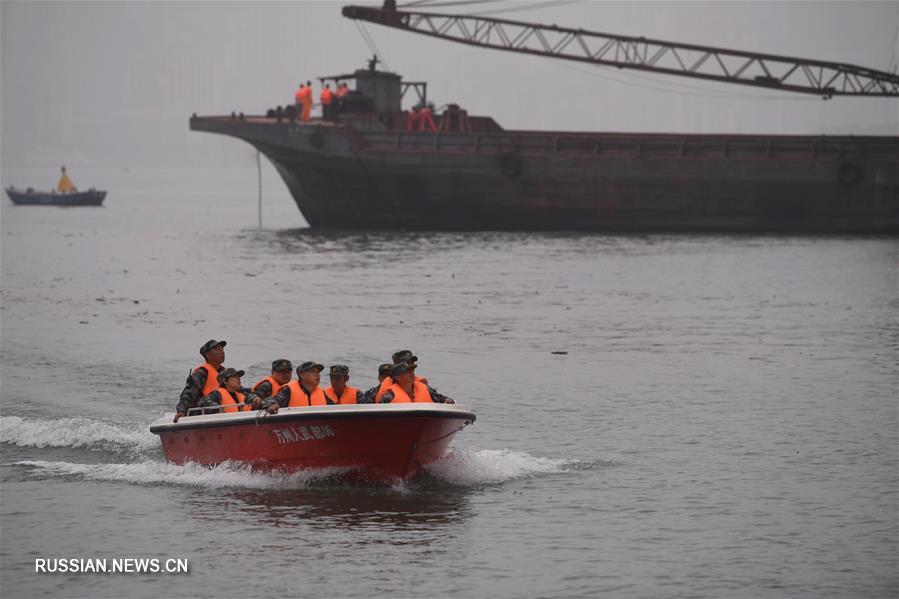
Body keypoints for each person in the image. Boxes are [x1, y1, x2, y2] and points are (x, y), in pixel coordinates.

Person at [174, 339, 226, 422]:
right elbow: (188, 393)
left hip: (225, 412)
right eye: (218, 349)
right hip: (205, 414)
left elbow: (237, 391)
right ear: (208, 355)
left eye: (222, 349)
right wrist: (182, 410)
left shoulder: (225, 373)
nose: (222, 352)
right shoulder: (201, 373)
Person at [199, 368, 270, 414]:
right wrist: (219, 410)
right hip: (226, 427)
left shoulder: (243, 394)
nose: (238, 379)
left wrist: (256, 401)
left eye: (239, 376)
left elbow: (251, 397)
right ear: (225, 381)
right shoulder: (216, 394)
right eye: (235, 377)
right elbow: (204, 402)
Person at [379, 362, 454, 404]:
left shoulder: (425, 388)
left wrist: (447, 401)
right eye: (407, 372)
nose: (412, 373)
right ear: (397, 377)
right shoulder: (389, 396)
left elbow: (442, 399)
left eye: (412, 370)